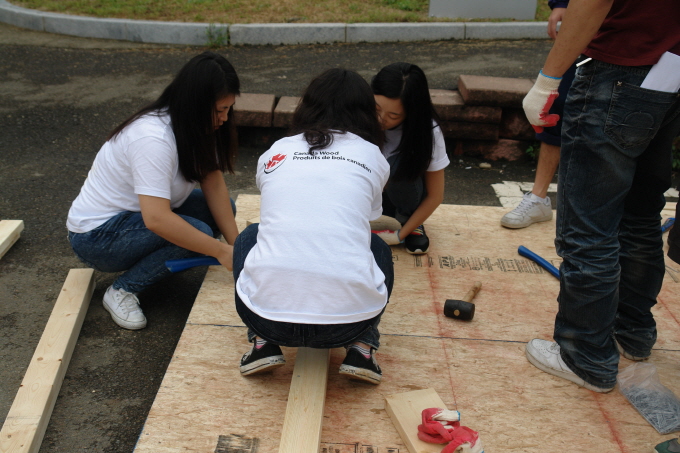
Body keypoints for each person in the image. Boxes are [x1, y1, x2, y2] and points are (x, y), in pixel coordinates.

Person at [522, 0, 680, 393]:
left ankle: (586, 356)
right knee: (640, 213)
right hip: (671, 68)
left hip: (619, 69)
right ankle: (632, 332)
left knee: (589, 227)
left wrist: (547, 81)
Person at [233, 68, 394, 384]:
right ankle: (362, 348)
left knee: (250, 236)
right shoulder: (372, 155)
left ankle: (262, 344)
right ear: (367, 112)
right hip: (349, 323)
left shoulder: (277, 150)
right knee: (375, 245)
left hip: (268, 320)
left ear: (306, 106)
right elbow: (369, 216)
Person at [66, 51, 240, 330]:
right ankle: (122, 290)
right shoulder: (152, 138)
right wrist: (220, 251)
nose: (224, 118)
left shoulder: (194, 126)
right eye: (219, 110)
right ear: (195, 104)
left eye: (228, 109)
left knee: (221, 211)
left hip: (135, 218)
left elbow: (214, 183)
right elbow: (157, 219)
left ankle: (163, 260)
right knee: (199, 232)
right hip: (97, 237)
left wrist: (237, 248)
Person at [500, 1, 575, 229]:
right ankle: (538, 198)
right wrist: (562, 3)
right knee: (557, 104)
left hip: (646, 38)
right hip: (594, 31)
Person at [370, 62, 450, 254]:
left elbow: (435, 196)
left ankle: (410, 222)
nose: (381, 119)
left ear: (412, 112)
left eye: (393, 116)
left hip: (403, 198)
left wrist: (400, 235)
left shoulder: (428, 133)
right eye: (376, 109)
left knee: (397, 166)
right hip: (369, 196)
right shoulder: (359, 116)